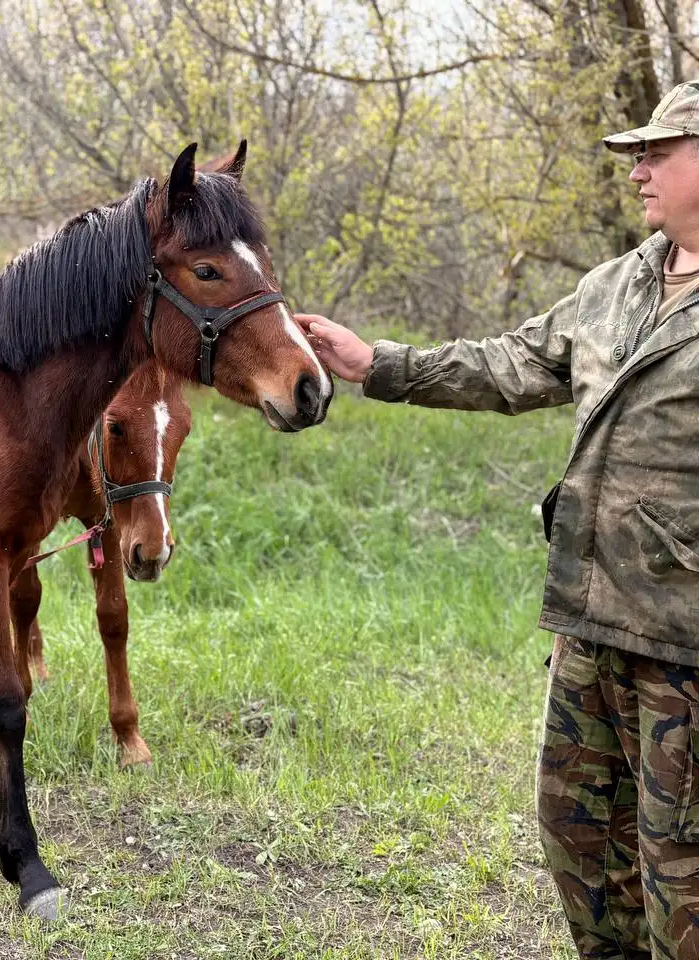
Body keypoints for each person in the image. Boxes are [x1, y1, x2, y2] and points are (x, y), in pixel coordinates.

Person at [296, 80, 699, 959]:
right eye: (636, 155)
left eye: (657, 153)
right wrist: (378, 364)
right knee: (581, 845)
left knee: (684, 878)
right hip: (589, 623)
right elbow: (512, 364)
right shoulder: (616, 284)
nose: (637, 170)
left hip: (685, 645)